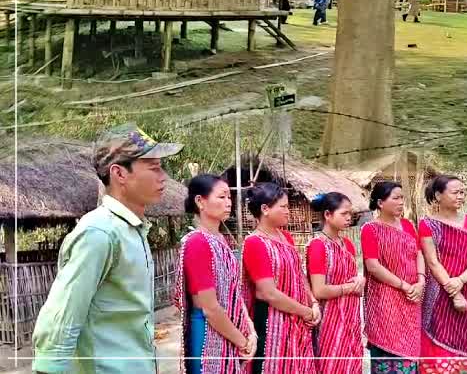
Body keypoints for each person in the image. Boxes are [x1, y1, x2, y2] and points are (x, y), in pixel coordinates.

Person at [32, 124, 183, 374]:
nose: (163, 176)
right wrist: (50, 367)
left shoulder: (132, 230)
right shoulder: (100, 233)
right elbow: (62, 317)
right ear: (119, 173)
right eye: (154, 167)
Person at [177, 174, 256, 374]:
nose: (228, 202)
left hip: (229, 331)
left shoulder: (220, 239)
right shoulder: (197, 242)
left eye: (229, 197)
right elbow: (210, 308)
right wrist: (242, 341)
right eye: (221, 197)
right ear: (200, 201)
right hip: (208, 336)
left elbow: (234, 292)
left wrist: (250, 330)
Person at [242, 183, 319, 374]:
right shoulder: (255, 243)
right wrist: (305, 311)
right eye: (283, 206)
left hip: (298, 321)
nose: (288, 211)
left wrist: (313, 303)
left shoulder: (286, 237)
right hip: (273, 322)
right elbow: (267, 293)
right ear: (265, 209)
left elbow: (299, 274)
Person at [419, 175, 467, 374]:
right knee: (437, 338)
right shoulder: (427, 224)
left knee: (466, 336)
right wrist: (455, 293)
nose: (460, 196)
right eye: (455, 192)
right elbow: (432, 262)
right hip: (439, 293)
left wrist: (461, 280)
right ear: (438, 195)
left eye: (462, 192)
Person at [361, 182, 424, 373]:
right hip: (386, 300)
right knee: (388, 350)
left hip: (412, 298)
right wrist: (404, 285)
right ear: (380, 203)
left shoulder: (408, 225)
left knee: (410, 352)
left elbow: (419, 253)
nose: (401, 202)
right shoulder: (370, 229)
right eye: (395, 198)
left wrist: (421, 281)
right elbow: (373, 266)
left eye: (402, 197)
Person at [306, 193, 364, 374]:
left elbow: (354, 279)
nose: (349, 218)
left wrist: (360, 281)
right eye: (344, 213)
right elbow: (319, 290)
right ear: (327, 215)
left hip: (351, 318)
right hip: (329, 320)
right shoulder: (318, 246)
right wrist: (348, 288)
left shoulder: (348, 244)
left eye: (350, 213)